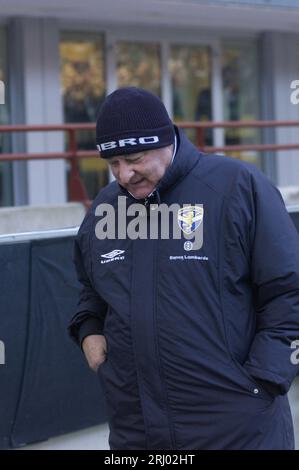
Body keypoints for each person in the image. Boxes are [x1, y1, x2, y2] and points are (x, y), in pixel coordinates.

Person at [68, 87, 299, 450]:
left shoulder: (237, 188)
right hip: (137, 429)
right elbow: (91, 287)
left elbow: (290, 291)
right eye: (113, 164)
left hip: (238, 431)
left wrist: (262, 381)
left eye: (135, 158)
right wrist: (89, 328)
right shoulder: (105, 209)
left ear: (166, 141)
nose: (124, 175)